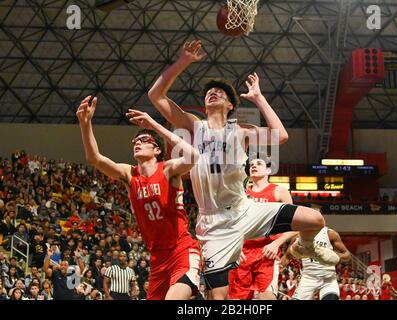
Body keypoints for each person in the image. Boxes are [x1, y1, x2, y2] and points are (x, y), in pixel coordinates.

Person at [146, 39, 339, 299]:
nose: (213, 93)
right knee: (220, 298)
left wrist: (259, 98)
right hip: (213, 222)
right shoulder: (194, 126)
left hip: (244, 209)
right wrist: (183, 61)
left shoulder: (240, 132)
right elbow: (155, 96)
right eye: (209, 93)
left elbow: (281, 135)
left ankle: (305, 246)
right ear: (204, 106)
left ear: (230, 106)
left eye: (220, 93)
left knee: (315, 219)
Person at [76, 96, 201, 300]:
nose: (137, 143)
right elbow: (94, 158)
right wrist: (85, 124)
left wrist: (154, 125)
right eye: (136, 141)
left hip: (182, 249)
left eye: (144, 141)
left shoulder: (168, 169)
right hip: (158, 257)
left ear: (157, 150)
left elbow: (194, 156)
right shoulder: (129, 174)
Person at [228, 155, 297, 300]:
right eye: (251, 164)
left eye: (259, 163)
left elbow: (296, 226)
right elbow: (230, 222)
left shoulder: (279, 191)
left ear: (268, 170)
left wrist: (276, 243)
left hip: (267, 254)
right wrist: (235, 246)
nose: (253, 166)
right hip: (242, 253)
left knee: (267, 299)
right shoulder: (241, 193)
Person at [281, 227, 351, 300]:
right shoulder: (298, 236)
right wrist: (278, 267)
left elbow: (347, 255)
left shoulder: (330, 233)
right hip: (308, 279)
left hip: (328, 279)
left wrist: (331, 255)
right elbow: (287, 256)